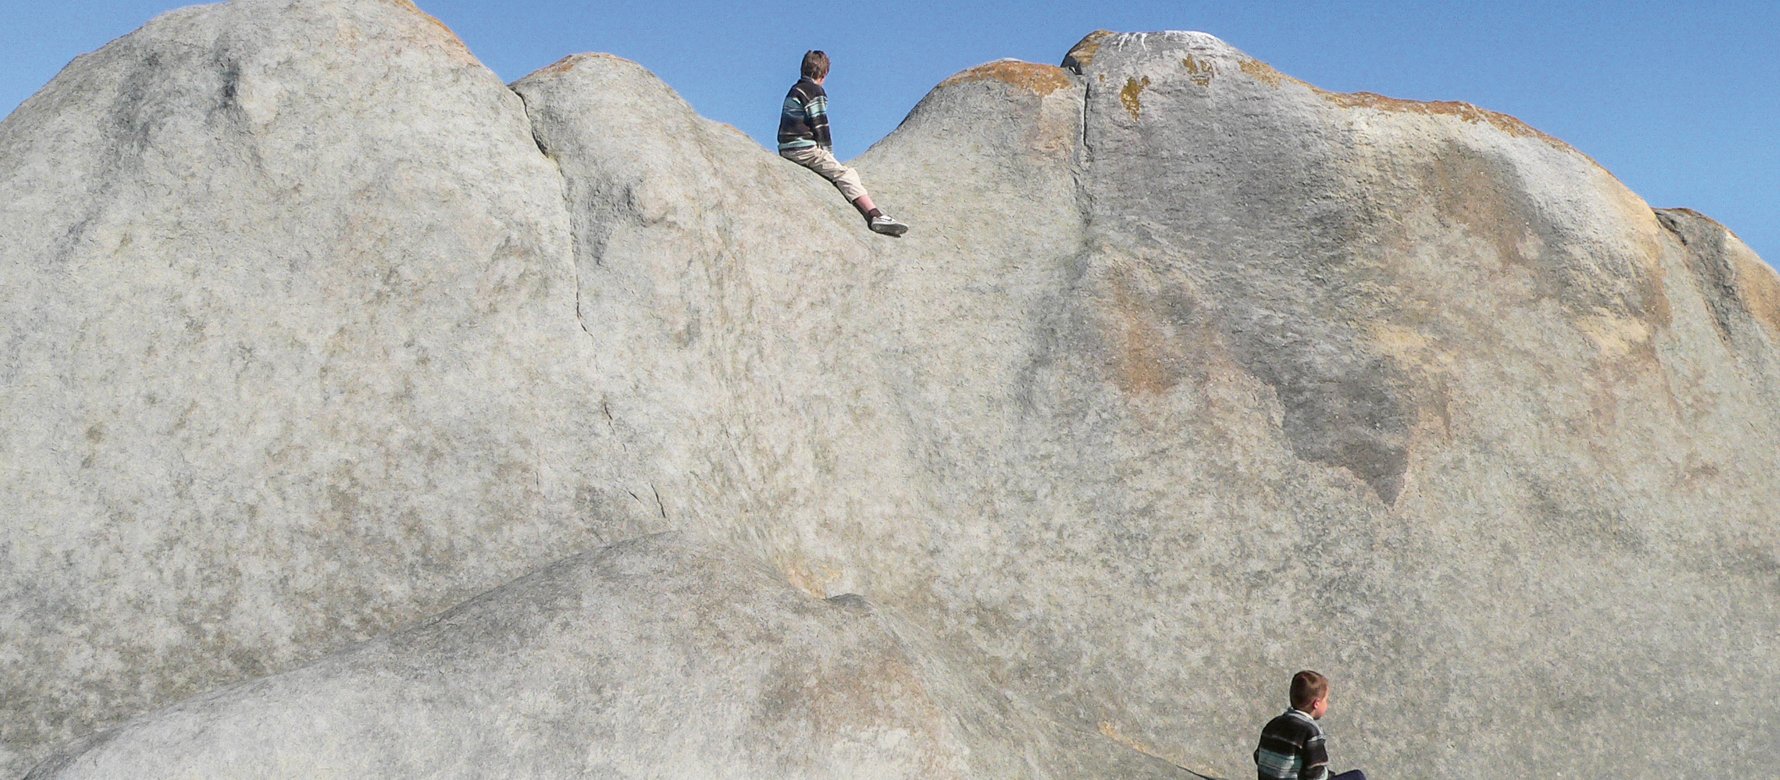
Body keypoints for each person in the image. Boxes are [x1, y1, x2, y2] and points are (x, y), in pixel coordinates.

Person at [778, 50, 909, 237]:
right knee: (845, 174)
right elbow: (820, 124)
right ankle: (875, 215)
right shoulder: (815, 91)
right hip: (804, 149)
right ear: (824, 74)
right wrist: (828, 153)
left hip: (786, 148)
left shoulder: (795, 89)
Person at [1254, 670, 1366, 780]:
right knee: (1357, 776)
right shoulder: (1310, 730)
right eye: (1326, 700)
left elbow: (1258, 756)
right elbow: (1316, 773)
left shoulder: (1273, 724)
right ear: (1316, 703)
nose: (1327, 704)